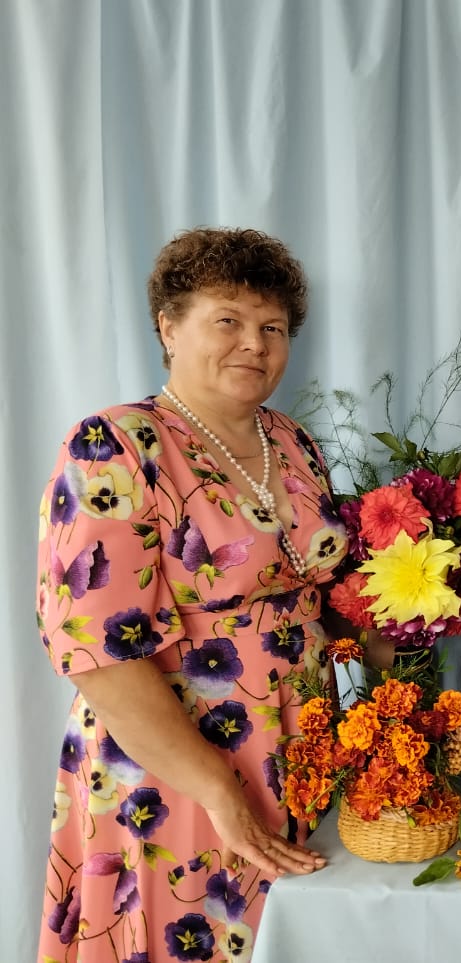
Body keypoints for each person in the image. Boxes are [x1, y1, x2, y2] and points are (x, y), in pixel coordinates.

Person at [36, 227, 353, 961]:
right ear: (169, 328)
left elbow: (325, 595)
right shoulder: (116, 445)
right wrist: (216, 787)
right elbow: (98, 653)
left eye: (273, 327)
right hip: (175, 766)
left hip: (299, 754)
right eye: (228, 320)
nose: (254, 344)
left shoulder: (293, 441)